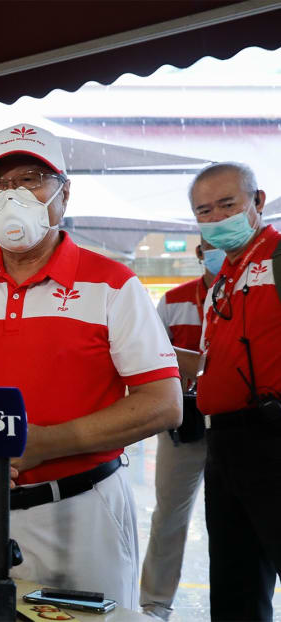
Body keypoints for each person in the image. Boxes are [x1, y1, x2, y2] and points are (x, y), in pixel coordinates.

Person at [0, 123, 182, 608]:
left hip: (80, 511)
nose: (13, 196)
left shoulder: (113, 286)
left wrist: (47, 443)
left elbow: (163, 404)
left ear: (64, 194)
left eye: (31, 179)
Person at [175, 162, 281, 622]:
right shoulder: (223, 277)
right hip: (223, 444)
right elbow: (221, 364)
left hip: (273, 438)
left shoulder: (277, 257)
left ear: (257, 202)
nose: (216, 218)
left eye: (227, 205)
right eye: (204, 210)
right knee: (235, 583)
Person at [140, 239, 221, 620]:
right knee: (169, 515)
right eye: (209, 246)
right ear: (200, 254)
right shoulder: (173, 301)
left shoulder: (256, 294)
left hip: (239, 427)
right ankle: (155, 604)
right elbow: (150, 355)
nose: (217, 252)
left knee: (238, 519)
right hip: (185, 425)